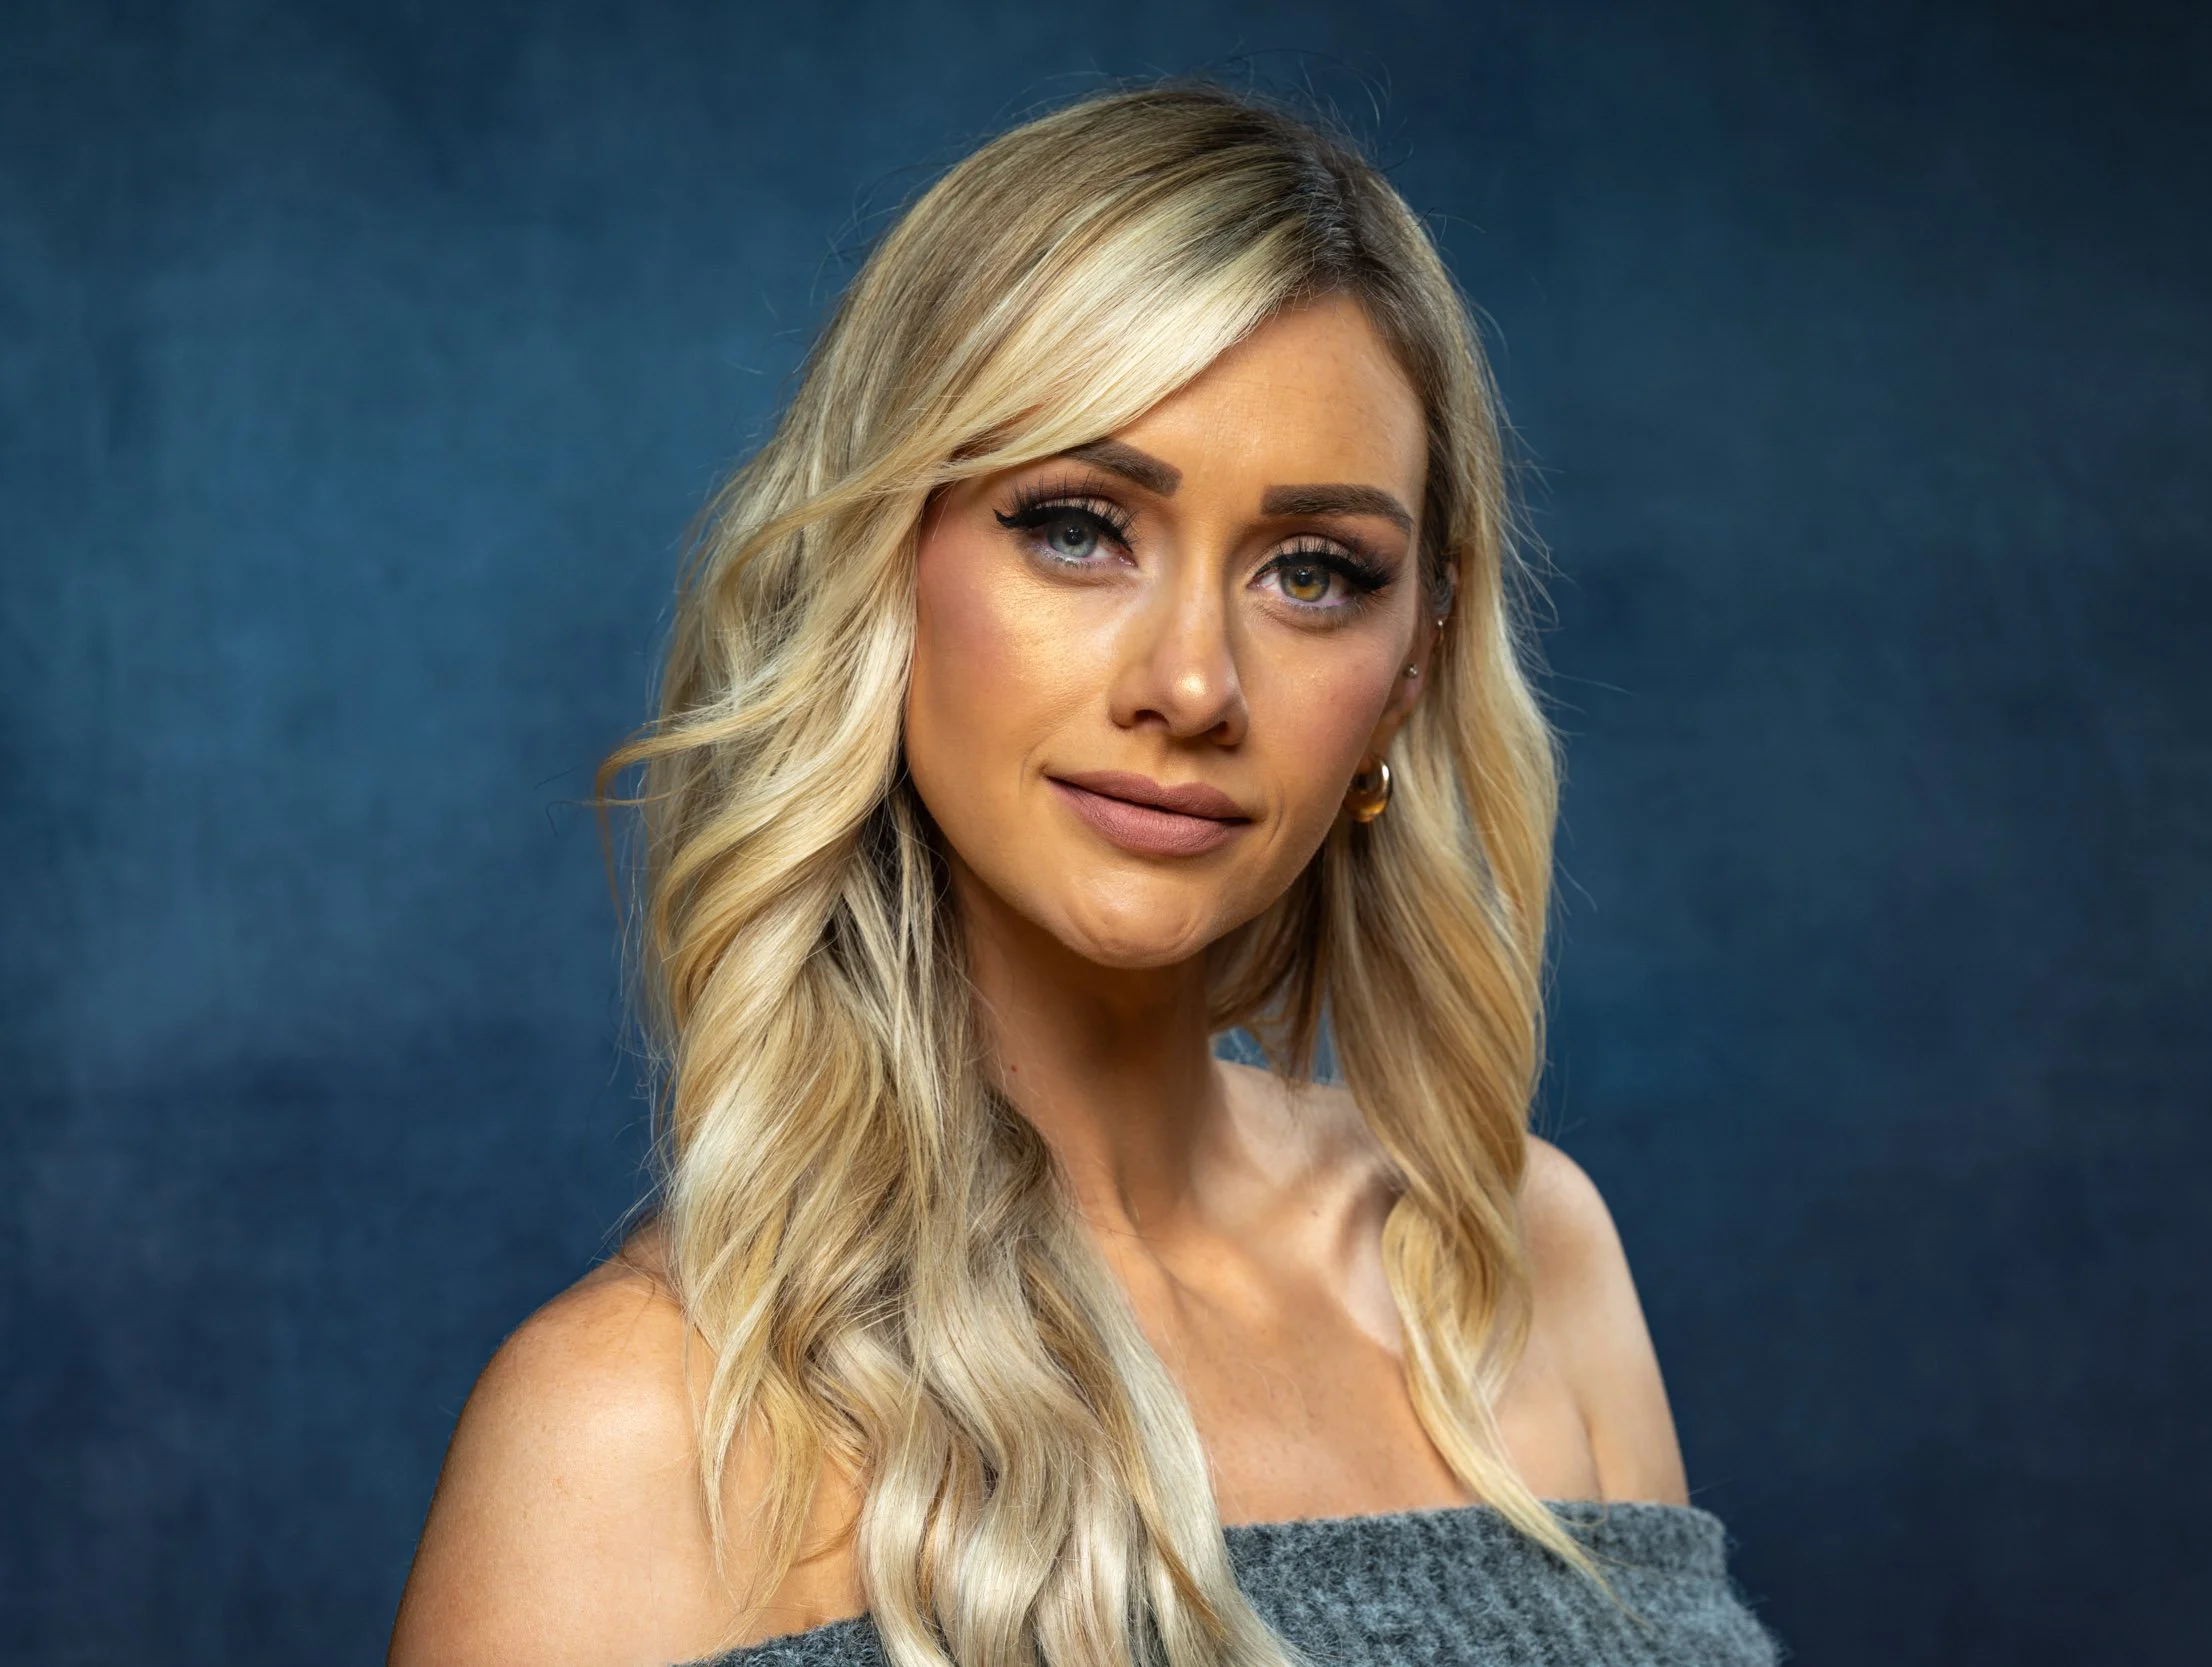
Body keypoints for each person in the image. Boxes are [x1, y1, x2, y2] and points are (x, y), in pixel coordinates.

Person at [389, 80, 1782, 1667]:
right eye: (1076, 526)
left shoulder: (1519, 1254)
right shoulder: (631, 1434)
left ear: (1415, 660)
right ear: (883, 565)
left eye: (1314, 571)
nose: (1193, 683)